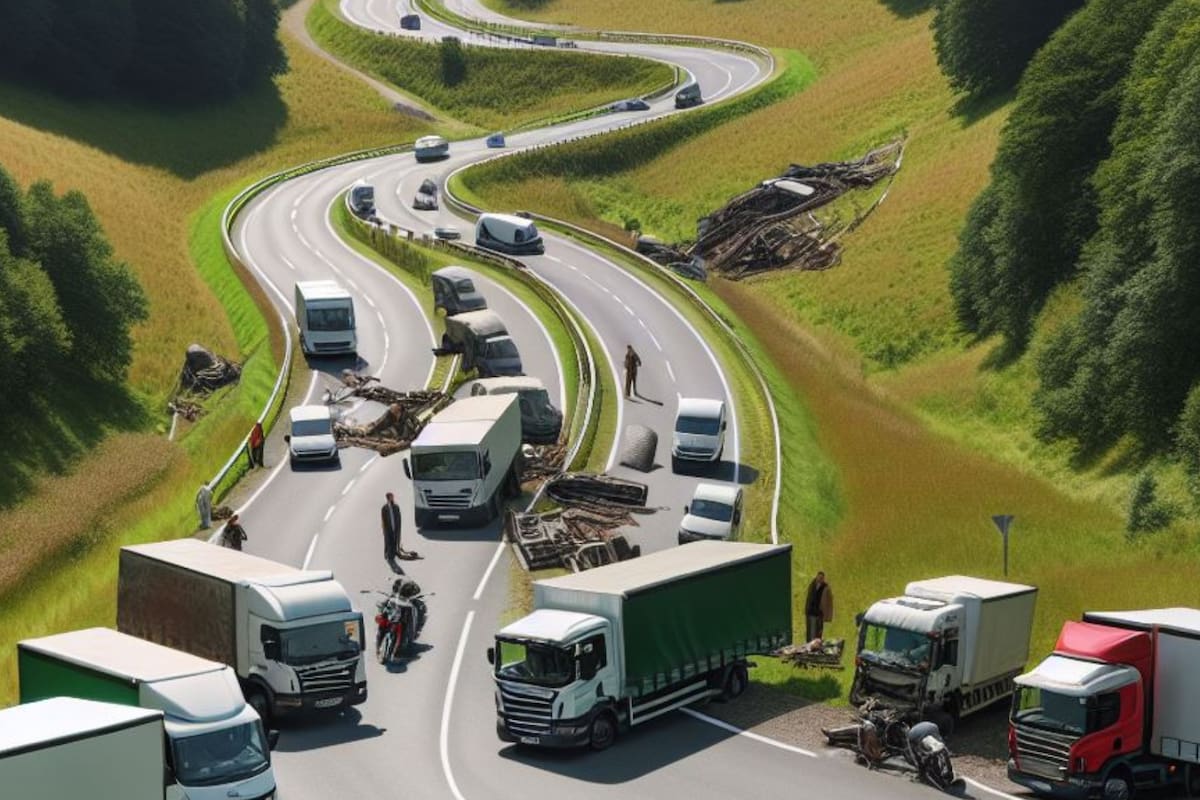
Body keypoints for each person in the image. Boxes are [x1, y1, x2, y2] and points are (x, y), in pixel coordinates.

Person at [804, 571, 833, 641]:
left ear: (823, 579)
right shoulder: (812, 585)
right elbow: (809, 598)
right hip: (811, 612)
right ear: (816, 577)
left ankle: (816, 649)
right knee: (811, 633)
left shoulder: (826, 587)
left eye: (821, 578)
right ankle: (810, 648)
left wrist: (827, 616)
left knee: (818, 634)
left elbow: (829, 603)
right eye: (819, 577)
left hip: (819, 613)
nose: (820, 579)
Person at [381, 492, 402, 571]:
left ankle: (393, 554)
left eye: (392, 497)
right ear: (388, 498)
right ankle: (388, 556)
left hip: (395, 527)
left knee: (395, 541)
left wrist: (399, 527)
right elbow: (383, 520)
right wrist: (384, 529)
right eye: (391, 497)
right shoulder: (384, 508)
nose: (392, 498)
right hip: (388, 528)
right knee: (388, 541)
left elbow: (399, 517)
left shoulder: (396, 507)